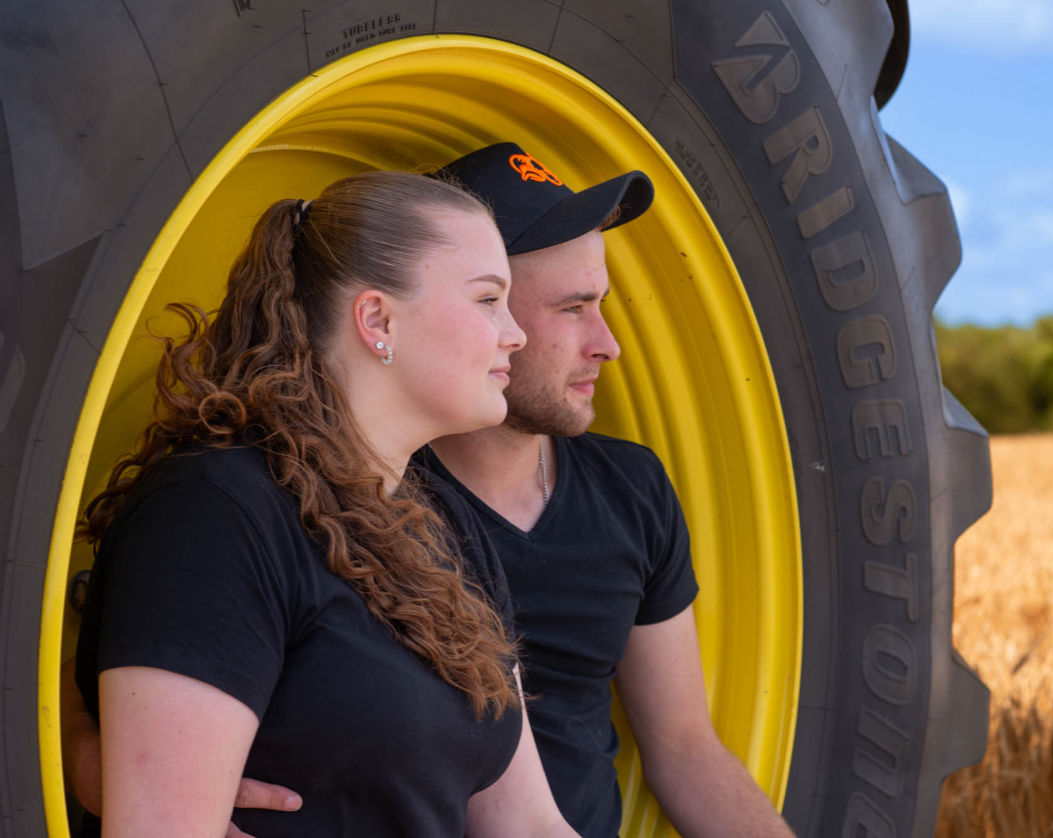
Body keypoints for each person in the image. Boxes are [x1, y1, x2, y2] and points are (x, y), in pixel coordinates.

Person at [70, 171, 575, 837]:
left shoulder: (447, 528)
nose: (515, 334)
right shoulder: (216, 515)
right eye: (488, 299)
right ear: (377, 320)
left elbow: (529, 826)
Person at [415, 143, 794, 837]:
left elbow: (684, 750)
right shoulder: (364, 500)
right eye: (573, 308)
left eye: (603, 305)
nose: (609, 343)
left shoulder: (632, 490)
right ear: (483, 312)